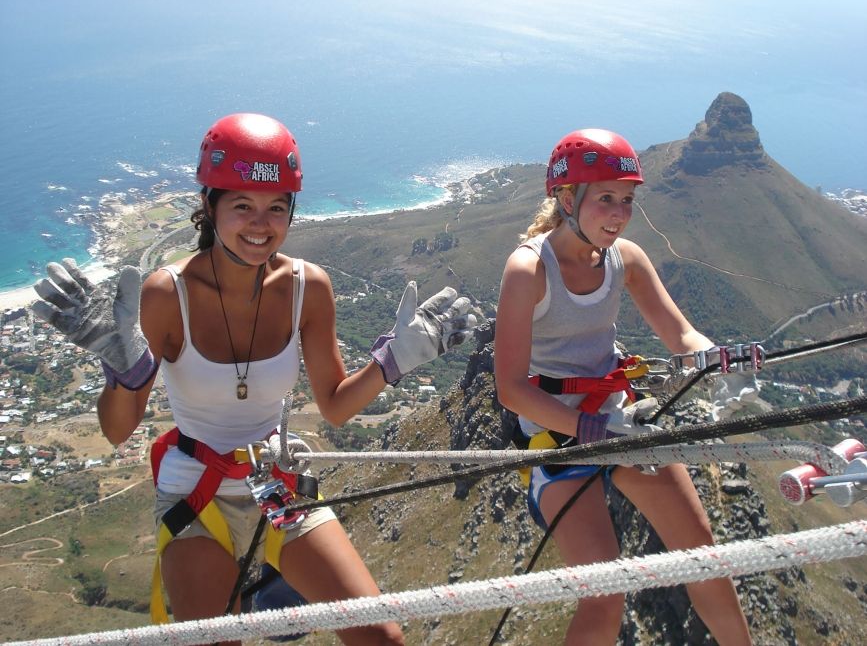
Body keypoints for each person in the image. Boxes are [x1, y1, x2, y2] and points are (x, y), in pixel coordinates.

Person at [32, 112, 476, 646]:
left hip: (274, 481)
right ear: (209, 205)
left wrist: (391, 362)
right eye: (242, 206)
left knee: (383, 637)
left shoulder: (308, 287)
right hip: (196, 492)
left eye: (276, 208)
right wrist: (125, 374)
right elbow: (117, 430)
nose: (260, 225)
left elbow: (333, 404)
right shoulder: (165, 295)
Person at [494, 129, 752, 645]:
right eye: (605, 199)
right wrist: (591, 428)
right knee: (604, 591)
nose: (618, 213)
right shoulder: (529, 270)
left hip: (617, 419)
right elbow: (512, 390)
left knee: (704, 557)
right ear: (568, 200)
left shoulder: (624, 258)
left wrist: (716, 358)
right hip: (555, 438)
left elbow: (679, 334)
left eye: (627, 200)